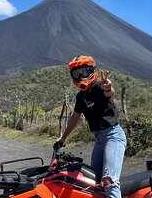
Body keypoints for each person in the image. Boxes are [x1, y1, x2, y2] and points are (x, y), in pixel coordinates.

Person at [54, 55, 126, 198]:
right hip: (99, 141)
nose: (81, 76)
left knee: (109, 181)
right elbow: (75, 117)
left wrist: (109, 87)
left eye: (84, 71)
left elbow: (109, 92)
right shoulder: (80, 97)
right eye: (76, 73)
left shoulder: (99, 87)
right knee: (93, 181)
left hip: (113, 136)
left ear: (93, 71)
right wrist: (63, 138)